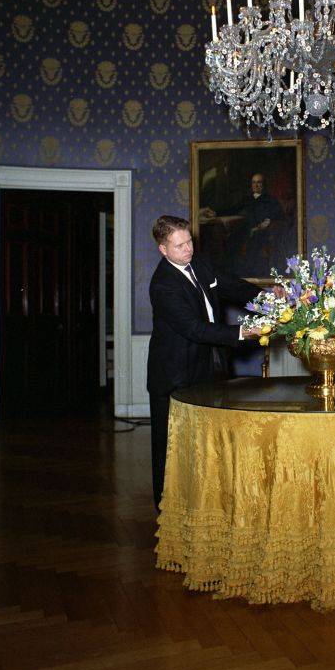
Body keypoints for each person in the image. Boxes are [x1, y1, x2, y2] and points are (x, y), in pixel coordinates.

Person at [146, 215, 263, 510]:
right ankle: (166, 507)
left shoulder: (200, 264)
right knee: (169, 444)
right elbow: (194, 329)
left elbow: (235, 287)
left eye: (190, 241)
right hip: (173, 373)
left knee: (204, 437)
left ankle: (203, 500)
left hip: (206, 365)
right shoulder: (162, 285)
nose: (188, 249)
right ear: (163, 249)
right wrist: (242, 331)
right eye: (180, 245)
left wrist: (271, 299)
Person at [202, 172, 286, 275]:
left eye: (258, 182)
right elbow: (233, 209)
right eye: (253, 182)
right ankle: (231, 270)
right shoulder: (247, 199)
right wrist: (215, 213)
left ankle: (250, 272)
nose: (255, 185)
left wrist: (270, 220)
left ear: (264, 184)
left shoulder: (271, 200)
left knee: (254, 242)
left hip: (263, 231)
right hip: (247, 229)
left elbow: (281, 214)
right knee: (231, 239)